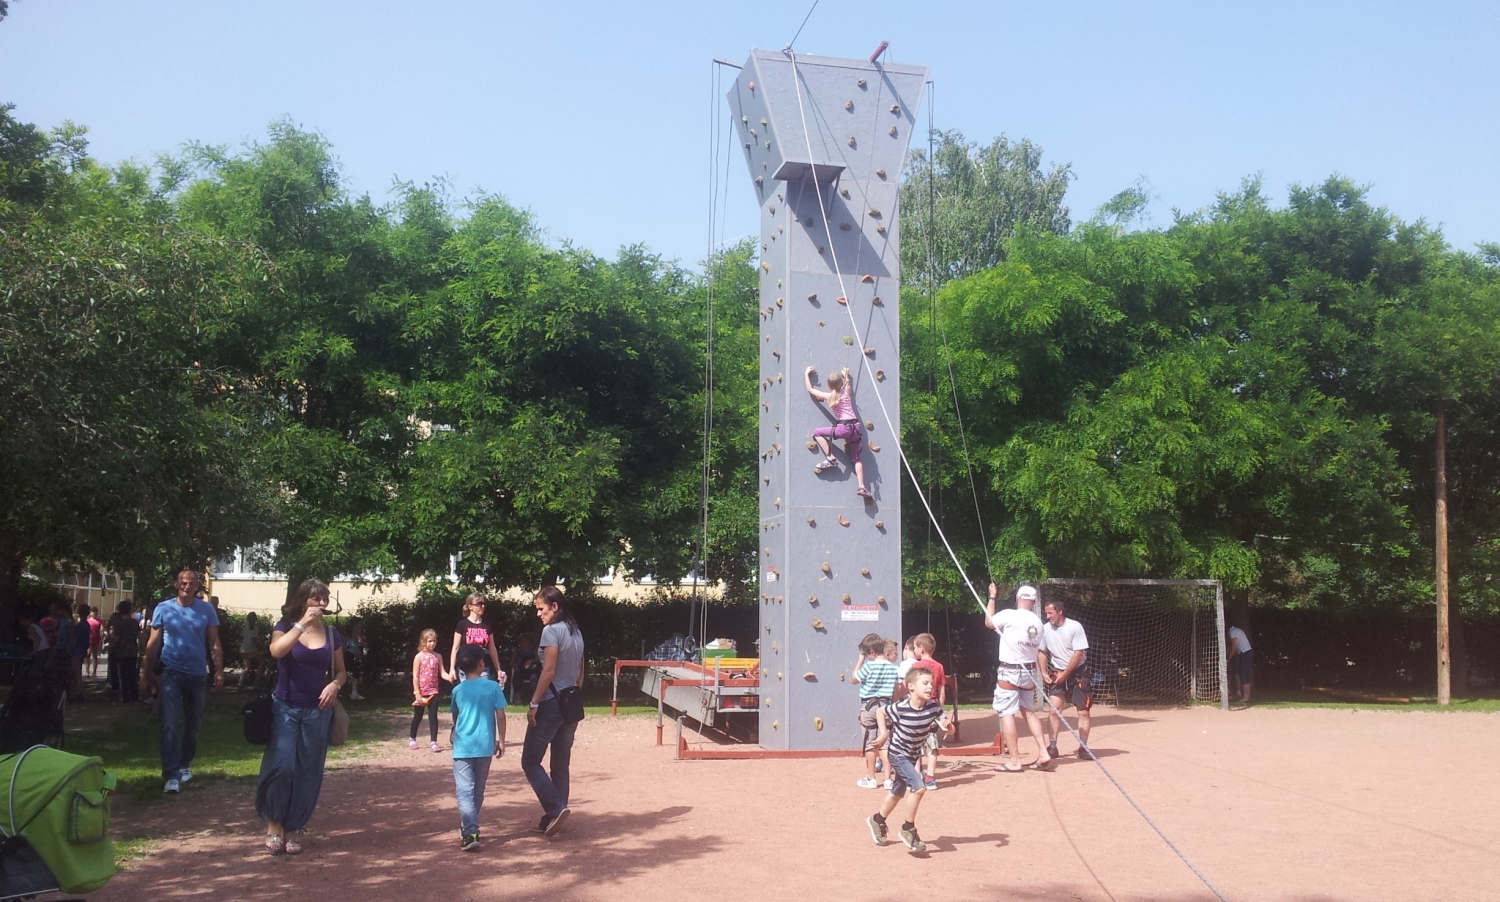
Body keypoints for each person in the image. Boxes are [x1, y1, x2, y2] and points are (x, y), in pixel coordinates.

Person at [256, 578, 346, 855]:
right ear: (303, 600)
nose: (322, 603)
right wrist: (302, 624)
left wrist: (335, 685)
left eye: (325, 599)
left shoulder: (332, 634)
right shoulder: (284, 626)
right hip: (285, 707)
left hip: (318, 712)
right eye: (316, 598)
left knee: (308, 771)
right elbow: (276, 651)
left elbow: (341, 671)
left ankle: (294, 828)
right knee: (282, 766)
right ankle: (273, 824)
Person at [143, 569, 224, 792]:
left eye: (191, 583)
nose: (187, 586)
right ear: (176, 585)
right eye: (183, 583)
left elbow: (214, 642)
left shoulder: (206, 610)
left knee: (193, 723)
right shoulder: (163, 608)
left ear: (197, 586)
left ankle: (184, 763)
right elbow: (153, 642)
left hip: (197, 673)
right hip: (171, 671)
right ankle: (171, 774)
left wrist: (218, 670)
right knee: (168, 723)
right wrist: (146, 672)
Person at [865, 667, 952, 854]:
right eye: (925, 683)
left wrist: (949, 727)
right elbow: (880, 712)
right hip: (897, 754)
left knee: (897, 792)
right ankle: (908, 829)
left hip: (912, 756)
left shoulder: (933, 708)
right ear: (911, 687)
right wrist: (883, 734)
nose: (930, 687)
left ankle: (877, 820)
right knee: (919, 788)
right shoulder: (901, 707)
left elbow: (948, 727)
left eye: (932, 684)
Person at [523, 586, 585, 837]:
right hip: (571, 702)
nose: (538, 614)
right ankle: (553, 817)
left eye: (541, 609)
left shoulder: (551, 631)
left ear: (554, 606)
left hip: (551, 702)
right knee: (560, 764)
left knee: (529, 761)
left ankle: (556, 808)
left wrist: (534, 703)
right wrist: (574, 694)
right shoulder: (576, 631)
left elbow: (548, 671)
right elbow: (580, 671)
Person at [984, 583, 1053, 772]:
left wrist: (992, 596)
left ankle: (1015, 761)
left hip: (1010, 670)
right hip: (1029, 671)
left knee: (1007, 713)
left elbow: (989, 622)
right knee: (1029, 712)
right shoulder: (1038, 623)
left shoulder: (1010, 615)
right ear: (1034, 601)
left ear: (1017, 598)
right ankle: (1043, 752)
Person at [450, 645, 508, 851]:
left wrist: (455, 729)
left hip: (462, 748)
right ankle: (470, 827)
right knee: (478, 790)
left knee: (464, 791)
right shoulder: (493, 687)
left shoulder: (457, 690)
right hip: (484, 747)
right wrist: (502, 740)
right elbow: (501, 715)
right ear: (482, 664)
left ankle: (470, 830)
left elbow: (455, 714)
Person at [804, 365, 872, 499]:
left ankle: (830, 458)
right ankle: (862, 486)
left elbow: (810, 390)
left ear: (829, 386)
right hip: (856, 429)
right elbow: (848, 384)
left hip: (844, 428)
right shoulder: (846, 393)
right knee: (857, 458)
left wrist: (806, 374)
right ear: (841, 384)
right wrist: (846, 375)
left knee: (817, 433)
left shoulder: (829, 396)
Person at [1039, 599, 1092, 759]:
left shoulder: (1074, 627)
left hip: (1078, 673)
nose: (1048, 616)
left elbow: (1078, 653)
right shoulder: (1045, 629)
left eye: (1050, 613)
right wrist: (1044, 673)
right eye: (1046, 613)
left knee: (1083, 712)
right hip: (1057, 673)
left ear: (1060, 611)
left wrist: (1066, 674)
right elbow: (1042, 652)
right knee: (1054, 711)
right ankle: (1052, 747)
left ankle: (1083, 747)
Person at [852, 633, 897, 789]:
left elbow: (854, 679)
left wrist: (860, 662)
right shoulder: (893, 668)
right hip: (886, 707)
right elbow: (897, 688)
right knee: (886, 744)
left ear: (871, 652)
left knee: (870, 743)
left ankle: (871, 778)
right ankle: (888, 779)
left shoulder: (868, 666)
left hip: (869, 706)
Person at [910, 633, 947, 789]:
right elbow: (942, 691)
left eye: (915, 647)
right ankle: (930, 778)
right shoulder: (939, 666)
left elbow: (911, 688)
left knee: (915, 743)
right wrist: (940, 710)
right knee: (932, 743)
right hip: (933, 708)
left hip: (917, 708)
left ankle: (917, 775)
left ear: (922, 648)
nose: (914, 650)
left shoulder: (915, 666)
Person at [450, 594, 503, 684]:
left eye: (483, 604)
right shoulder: (462, 624)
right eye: (479, 604)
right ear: (470, 607)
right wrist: (452, 669)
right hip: (466, 668)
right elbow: (455, 648)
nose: (482, 606)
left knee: (482, 690)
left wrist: (498, 669)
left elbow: (492, 648)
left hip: (482, 667)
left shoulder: (487, 625)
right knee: (467, 691)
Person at [410, 629, 445, 751]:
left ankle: (434, 742)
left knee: (433, 716)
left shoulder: (438, 656)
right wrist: (417, 693)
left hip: (433, 691)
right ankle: (412, 738)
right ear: (423, 642)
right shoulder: (419, 657)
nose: (432, 643)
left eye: (434, 641)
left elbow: (442, 673)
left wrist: (450, 677)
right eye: (429, 641)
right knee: (418, 716)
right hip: (421, 692)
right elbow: (415, 676)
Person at [108, 601, 142, 704]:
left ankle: (125, 696)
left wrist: (111, 639)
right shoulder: (134, 622)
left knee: (123, 675)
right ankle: (135, 696)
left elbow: (116, 638)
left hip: (122, 651)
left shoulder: (119, 624)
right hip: (133, 650)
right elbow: (139, 636)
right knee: (133, 674)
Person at [510, 632, 541, 706]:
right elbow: (512, 662)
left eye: (522, 641)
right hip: (521, 670)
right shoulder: (518, 650)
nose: (520, 644)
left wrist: (531, 661)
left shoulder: (534, 649)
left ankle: (535, 699)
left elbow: (538, 659)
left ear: (528, 642)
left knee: (534, 678)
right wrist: (515, 666)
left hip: (532, 670)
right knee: (517, 676)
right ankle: (518, 698)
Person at [68, 604, 92, 699]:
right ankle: (78, 691)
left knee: (76, 671)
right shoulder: (86, 624)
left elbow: (74, 639)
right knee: (77, 671)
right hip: (82, 649)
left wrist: (69, 649)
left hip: (76, 651)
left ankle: (78, 692)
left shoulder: (79, 625)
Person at [237, 612, 265, 690]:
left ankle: (240, 683)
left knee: (247, 667)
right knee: (262, 662)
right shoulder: (256, 628)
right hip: (251, 649)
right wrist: (260, 647)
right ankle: (257, 680)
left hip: (243, 649)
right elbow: (254, 640)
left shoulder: (245, 628)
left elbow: (242, 636)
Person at [1227, 625, 1253, 706]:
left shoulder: (1232, 632)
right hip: (1246, 653)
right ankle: (1247, 696)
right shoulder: (1236, 630)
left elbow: (1234, 647)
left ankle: (1245, 696)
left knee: (1243, 674)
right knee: (1244, 674)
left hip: (1245, 653)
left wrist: (1229, 658)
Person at [344, 617, 366, 700]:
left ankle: (342, 689)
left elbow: (344, 645)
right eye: (360, 623)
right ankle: (354, 693)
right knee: (356, 673)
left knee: (344, 672)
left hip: (346, 654)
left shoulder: (348, 634)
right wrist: (359, 655)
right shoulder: (357, 634)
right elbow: (359, 644)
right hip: (350, 655)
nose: (361, 625)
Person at [85, 606, 103, 678]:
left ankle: (94, 672)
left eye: (96, 612)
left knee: (95, 656)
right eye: (93, 612)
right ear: (90, 613)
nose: (95, 613)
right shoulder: (87, 621)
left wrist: (101, 639)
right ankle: (87, 671)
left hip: (96, 640)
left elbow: (101, 630)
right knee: (87, 655)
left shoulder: (99, 621)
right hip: (88, 640)